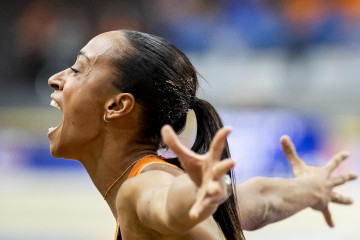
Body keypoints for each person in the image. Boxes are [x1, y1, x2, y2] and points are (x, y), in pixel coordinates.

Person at [47, 30, 357, 240]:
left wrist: (194, 194)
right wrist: (310, 188)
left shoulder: (140, 187)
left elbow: (164, 203)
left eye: (77, 69)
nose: (55, 79)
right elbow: (261, 198)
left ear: (117, 106)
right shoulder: (163, 179)